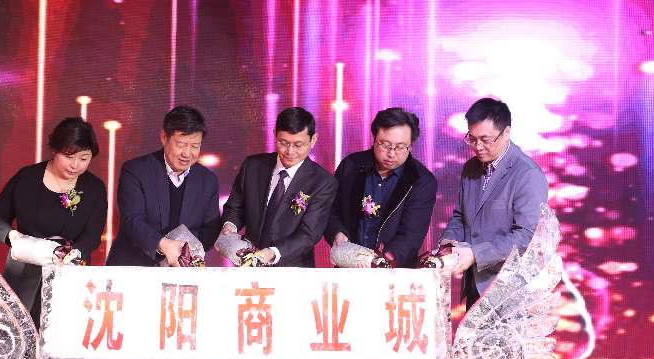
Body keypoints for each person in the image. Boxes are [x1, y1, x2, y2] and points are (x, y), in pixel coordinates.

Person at [0, 117, 106, 328]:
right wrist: (13, 237)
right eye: (69, 156)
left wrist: (74, 254)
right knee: (18, 332)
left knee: (64, 333)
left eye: (83, 158)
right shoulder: (27, 178)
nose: (75, 165)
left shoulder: (94, 188)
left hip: (69, 274)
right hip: (24, 270)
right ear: (54, 150)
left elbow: (92, 235)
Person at [439, 97, 548, 307]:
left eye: (485, 139)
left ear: (506, 132)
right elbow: (460, 216)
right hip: (474, 284)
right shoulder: (471, 168)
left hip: (509, 291)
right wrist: (449, 242)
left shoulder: (528, 174)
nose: (478, 147)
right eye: (472, 139)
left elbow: (527, 236)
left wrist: (475, 254)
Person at [220, 107, 337, 267]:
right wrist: (229, 226)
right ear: (275, 134)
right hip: (248, 265)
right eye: (283, 143)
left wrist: (273, 253)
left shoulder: (322, 182)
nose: (290, 151)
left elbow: (309, 233)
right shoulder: (253, 166)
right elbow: (235, 207)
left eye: (298, 145)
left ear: (313, 139)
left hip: (292, 269)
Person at [106, 106, 220, 266]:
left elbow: (211, 228)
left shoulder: (207, 180)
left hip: (181, 270)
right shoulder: (136, 170)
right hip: (133, 266)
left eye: (195, 146)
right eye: (181, 144)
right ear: (164, 137)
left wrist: (186, 254)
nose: (187, 153)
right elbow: (131, 219)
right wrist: (163, 245)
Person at [325, 108, 437, 268]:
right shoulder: (351, 166)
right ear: (374, 139)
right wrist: (336, 232)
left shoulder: (422, 181)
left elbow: (411, 236)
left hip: (393, 271)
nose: (391, 153)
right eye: (385, 145)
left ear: (410, 146)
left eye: (400, 147)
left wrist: (380, 262)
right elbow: (330, 209)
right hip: (348, 265)